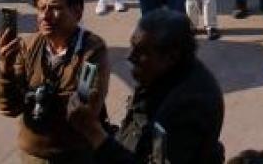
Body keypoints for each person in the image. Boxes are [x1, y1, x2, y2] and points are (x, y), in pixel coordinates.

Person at [67, 9, 225, 164]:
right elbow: (136, 133)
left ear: (171, 57)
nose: (130, 56)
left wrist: (94, 133)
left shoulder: (189, 106)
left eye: (141, 51)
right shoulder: (161, 76)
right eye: (132, 46)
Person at [0, 0, 110, 164]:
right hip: (33, 155)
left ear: (77, 12)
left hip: (73, 155)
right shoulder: (28, 46)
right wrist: (5, 68)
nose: (45, 16)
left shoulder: (92, 51)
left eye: (55, 8)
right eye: (41, 9)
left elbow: (83, 111)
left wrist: (37, 98)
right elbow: (8, 106)